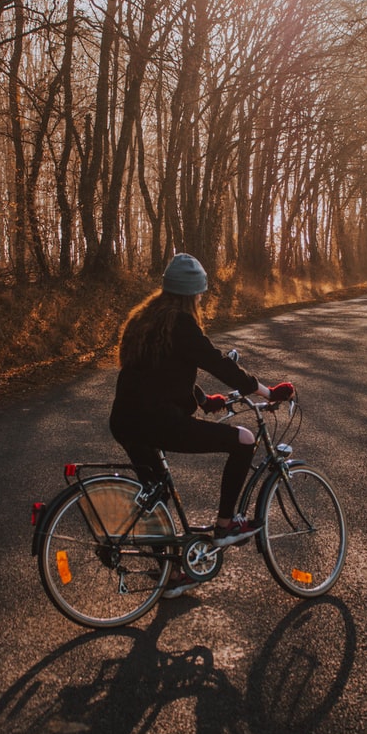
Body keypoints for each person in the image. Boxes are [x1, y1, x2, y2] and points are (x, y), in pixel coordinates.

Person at [109, 253, 294, 597]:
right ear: (193, 294)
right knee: (242, 439)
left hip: (125, 420)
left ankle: (170, 576)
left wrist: (205, 401)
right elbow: (219, 364)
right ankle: (225, 525)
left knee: (156, 496)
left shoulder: (144, 320)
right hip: (158, 421)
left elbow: (162, 372)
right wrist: (268, 392)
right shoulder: (181, 324)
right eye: (199, 294)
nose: (199, 300)